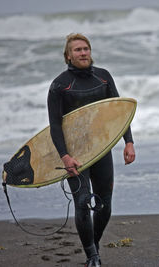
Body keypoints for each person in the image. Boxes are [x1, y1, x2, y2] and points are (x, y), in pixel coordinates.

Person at [47, 33, 135, 267]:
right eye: (77, 50)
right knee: (82, 202)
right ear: (68, 56)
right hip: (75, 155)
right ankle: (92, 257)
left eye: (86, 48)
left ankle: (93, 246)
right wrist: (65, 156)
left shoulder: (103, 77)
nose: (83, 53)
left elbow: (119, 113)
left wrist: (128, 141)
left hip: (101, 150)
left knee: (104, 205)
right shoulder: (59, 85)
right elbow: (55, 126)